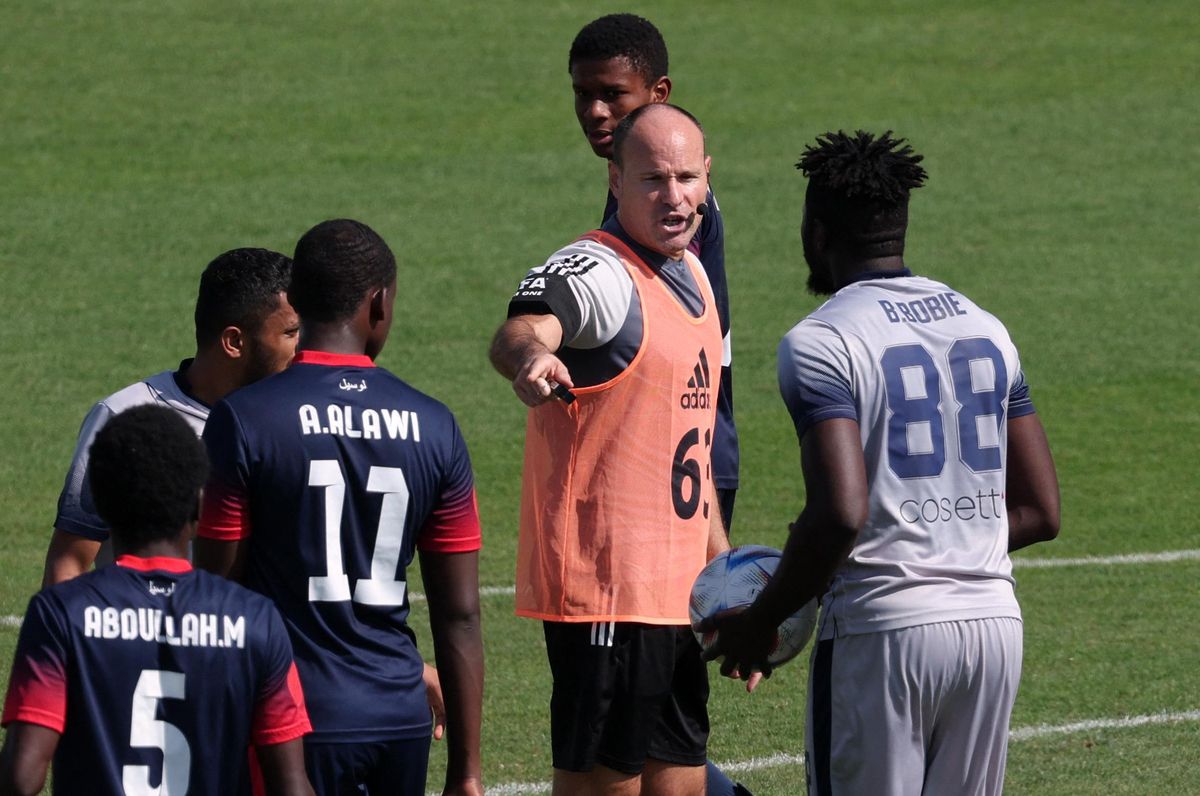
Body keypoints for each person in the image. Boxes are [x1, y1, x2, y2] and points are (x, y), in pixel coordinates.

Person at [703, 130, 1061, 795]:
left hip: (884, 633)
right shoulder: (986, 328)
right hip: (992, 628)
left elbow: (839, 515)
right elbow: (1042, 510)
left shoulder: (822, 342)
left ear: (815, 232)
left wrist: (760, 623)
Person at [195, 219, 484, 796]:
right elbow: (460, 616)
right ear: (379, 304)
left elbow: (217, 590)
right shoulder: (435, 426)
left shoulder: (245, 419)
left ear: (296, 303)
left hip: (286, 723)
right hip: (398, 718)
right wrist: (466, 773)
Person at [490, 103, 729, 795]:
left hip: (677, 599)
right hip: (609, 596)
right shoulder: (599, 271)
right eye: (653, 178)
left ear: (708, 178)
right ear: (615, 180)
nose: (674, 196)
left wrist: (727, 578)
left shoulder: (693, 276)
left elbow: (693, 446)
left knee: (680, 783)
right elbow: (521, 330)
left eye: (686, 176)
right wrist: (532, 359)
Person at [1, 405, 314, 796]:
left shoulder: (62, 613)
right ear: (199, 508)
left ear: (103, 504)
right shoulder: (256, 619)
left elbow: (20, 777)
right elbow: (290, 785)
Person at [568, 13, 739, 532]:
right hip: (677, 455)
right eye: (581, 94)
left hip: (677, 461)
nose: (594, 112)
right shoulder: (641, 193)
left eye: (613, 94)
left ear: (658, 93)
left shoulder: (675, 210)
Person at [43, 247, 299, 586]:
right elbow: (71, 559)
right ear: (234, 342)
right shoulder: (125, 419)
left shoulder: (299, 417)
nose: (304, 348)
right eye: (291, 333)